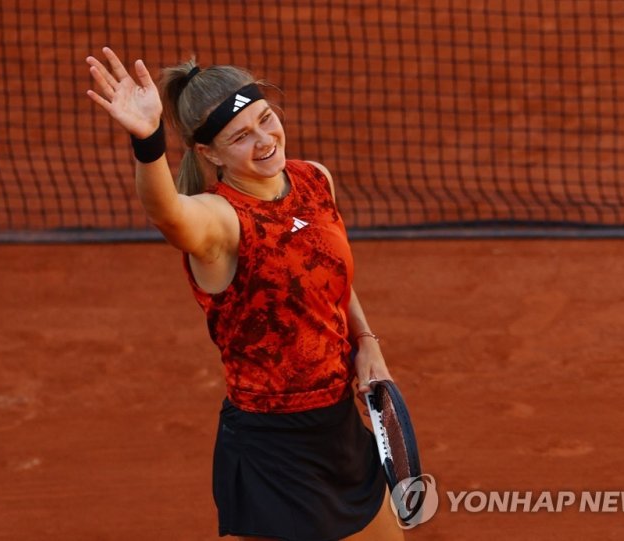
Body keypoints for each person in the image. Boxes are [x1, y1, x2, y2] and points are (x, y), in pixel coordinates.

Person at [86, 47, 403, 541]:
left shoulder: (313, 180)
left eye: (266, 119)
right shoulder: (219, 223)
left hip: (339, 427)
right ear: (209, 154)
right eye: (240, 136)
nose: (264, 140)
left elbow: (326, 274)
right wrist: (148, 141)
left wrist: (367, 339)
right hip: (273, 451)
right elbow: (167, 212)